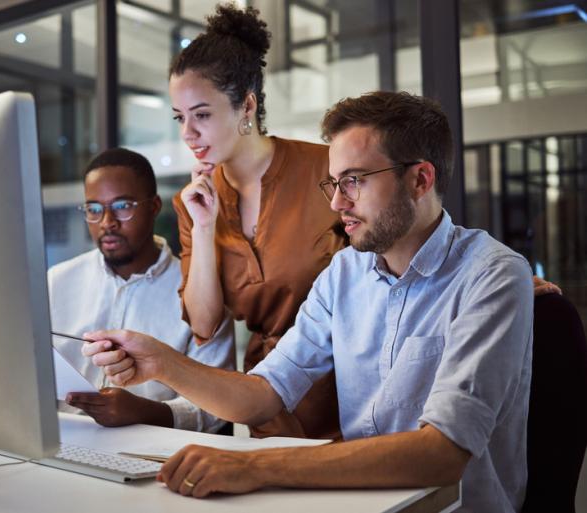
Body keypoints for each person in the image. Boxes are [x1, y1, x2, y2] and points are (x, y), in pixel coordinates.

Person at [83, 92, 533, 512]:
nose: (337, 202)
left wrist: (255, 466)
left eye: (354, 181)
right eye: (334, 183)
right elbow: (262, 395)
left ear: (420, 179)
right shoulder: (344, 274)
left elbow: (442, 454)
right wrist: (161, 363)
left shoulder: (491, 275)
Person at [169, 2, 345, 439]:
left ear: (246, 106)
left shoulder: (328, 168)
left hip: (350, 391)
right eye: (180, 118)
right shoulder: (193, 203)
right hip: (267, 401)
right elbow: (206, 325)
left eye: (202, 115)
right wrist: (206, 227)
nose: (187, 134)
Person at [48, 147, 234, 433]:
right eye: (94, 209)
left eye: (122, 206)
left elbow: (221, 406)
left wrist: (147, 412)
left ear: (154, 207)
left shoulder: (199, 291)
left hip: (157, 454)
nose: (107, 222)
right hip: (64, 442)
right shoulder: (57, 282)